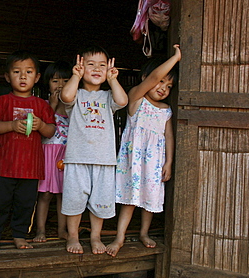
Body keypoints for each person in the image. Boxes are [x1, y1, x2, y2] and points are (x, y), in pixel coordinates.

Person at [106, 45, 181, 257]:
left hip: (155, 162)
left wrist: (168, 162)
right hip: (135, 160)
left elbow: (169, 137)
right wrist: (176, 57)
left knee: (150, 199)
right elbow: (154, 77)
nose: (163, 88)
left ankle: (144, 233)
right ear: (147, 78)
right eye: (161, 81)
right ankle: (119, 237)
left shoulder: (166, 110)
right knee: (131, 200)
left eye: (169, 86)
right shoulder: (136, 98)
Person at [60, 46, 128, 254]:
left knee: (100, 200)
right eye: (90, 64)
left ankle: (95, 237)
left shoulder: (108, 96)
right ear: (81, 67)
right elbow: (66, 97)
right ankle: (73, 236)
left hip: (104, 160)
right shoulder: (78, 94)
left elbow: (122, 101)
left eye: (102, 65)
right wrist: (75, 77)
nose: (96, 69)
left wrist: (113, 80)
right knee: (74, 199)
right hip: (77, 159)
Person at [0, 50, 56, 250]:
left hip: (31, 168)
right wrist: (11, 125)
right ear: (7, 76)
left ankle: (19, 235)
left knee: (25, 205)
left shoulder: (41, 105)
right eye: (17, 72)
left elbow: (51, 131)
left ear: (37, 77)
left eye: (29, 72)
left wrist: (41, 125)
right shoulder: (2, 101)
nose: (23, 76)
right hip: (4, 167)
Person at [33, 61, 72, 243]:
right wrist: (54, 105)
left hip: (67, 154)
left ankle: (62, 230)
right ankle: (40, 230)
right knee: (45, 194)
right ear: (47, 83)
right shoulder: (44, 104)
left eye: (65, 80)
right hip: (48, 152)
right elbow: (43, 125)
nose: (61, 85)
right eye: (55, 81)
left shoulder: (74, 106)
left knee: (64, 194)